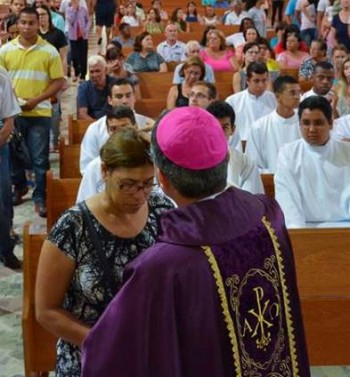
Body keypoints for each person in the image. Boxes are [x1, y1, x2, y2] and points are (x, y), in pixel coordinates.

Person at [81, 106, 311, 377]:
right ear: (226, 161)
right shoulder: (269, 217)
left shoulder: (162, 266)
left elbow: (109, 354)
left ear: (162, 180)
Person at [35, 127, 174, 377]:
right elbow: (46, 311)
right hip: (90, 356)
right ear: (104, 172)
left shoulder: (161, 209)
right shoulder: (72, 228)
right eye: (127, 185)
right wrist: (104, 342)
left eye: (147, 184)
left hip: (150, 352)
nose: (139, 195)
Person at [0, 7, 64, 216]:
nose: (27, 27)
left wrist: (36, 100)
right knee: (15, 157)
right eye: (23, 22)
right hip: (13, 113)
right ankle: (20, 188)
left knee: (39, 159)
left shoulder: (49, 51)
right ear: (17, 24)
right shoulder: (5, 51)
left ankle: (41, 198)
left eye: (31, 23)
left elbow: (58, 82)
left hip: (40, 112)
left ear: (39, 24)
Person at [275, 96, 350, 228]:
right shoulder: (288, 154)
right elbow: (287, 202)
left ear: (331, 123)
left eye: (318, 123)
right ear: (299, 124)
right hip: (305, 229)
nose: (311, 129)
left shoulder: (347, 152)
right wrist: (300, 237)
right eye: (306, 123)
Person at [80, 78, 154, 174]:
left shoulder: (147, 125)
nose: (124, 101)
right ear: (110, 100)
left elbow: (158, 163)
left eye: (128, 96)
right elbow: (86, 167)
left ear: (134, 97)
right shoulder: (95, 129)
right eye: (119, 97)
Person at [77, 106, 137, 202]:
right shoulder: (95, 166)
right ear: (108, 132)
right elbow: (84, 205)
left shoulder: (149, 161)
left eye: (124, 127)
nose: (119, 133)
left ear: (135, 127)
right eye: (113, 129)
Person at [245, 75, 301, 172]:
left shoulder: (304, 123)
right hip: (270, 181)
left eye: (298, 92)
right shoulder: (259, 126)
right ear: (278, 96)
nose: (297, 97)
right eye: (292, 93)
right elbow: (252, 164)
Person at [207, 100, 264, 193]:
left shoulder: (247, 163)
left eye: (224, 128)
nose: (219, 133)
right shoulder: (195, 162)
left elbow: (252, 201)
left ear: (232, 130)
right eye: (214, 127)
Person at [0, 67, 22, 270]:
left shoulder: (1, 76)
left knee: (3, 204)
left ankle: (5, 249)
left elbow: (9, 122)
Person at [226, 61, 277, 146]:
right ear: (247, 81)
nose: (261, 85)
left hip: (268, 144)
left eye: (264, 80)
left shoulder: (275, 100)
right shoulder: (233, 101)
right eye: (256, 81)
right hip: (241, 146)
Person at [77, 55, 116, 120]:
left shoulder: (116, 84)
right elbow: (82, 114)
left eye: (98, 71)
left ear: (105, 70)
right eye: (91, 72)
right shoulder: (83, 88)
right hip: (92, 124)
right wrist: (98, 126)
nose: (94, 75)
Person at [65, 0, 90, 82]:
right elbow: (71, 21)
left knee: (83, 56)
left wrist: (86, 29)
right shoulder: (69, 10)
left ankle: (83, 75)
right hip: (73, 37)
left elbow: (88, 21)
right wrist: (75, 11)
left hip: (83, 36)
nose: (75, 2)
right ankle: (76, 73)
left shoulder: (84, 9)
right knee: (74, 56)